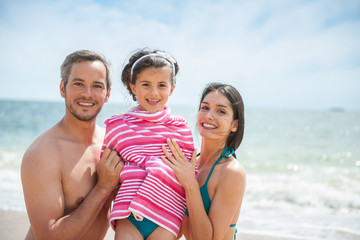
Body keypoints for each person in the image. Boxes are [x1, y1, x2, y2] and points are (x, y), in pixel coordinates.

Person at [21, 50, 123, 240]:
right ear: (62, 88)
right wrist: (102, 188)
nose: (87, 94)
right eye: (78, 84)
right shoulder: (43, 153)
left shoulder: (113, 143)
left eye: (97, 85)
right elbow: (48, 237)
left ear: (107, 93)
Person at [101, 48, 195, 240]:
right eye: (146, 84)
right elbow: (105, 167)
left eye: (162, 85)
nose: (154, 92)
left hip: (167, 213)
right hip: (128, 211)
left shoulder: (180, 127)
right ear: (134, 87)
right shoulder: (118, 126)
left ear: (171, 89)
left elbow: (189, 171)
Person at [162, 82, 246, 240]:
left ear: (234, 124)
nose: (208, 116)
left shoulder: (231, 172)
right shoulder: (189, 163)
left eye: (221, 111)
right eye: (205, 107)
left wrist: (191, 185)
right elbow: (175, 229)